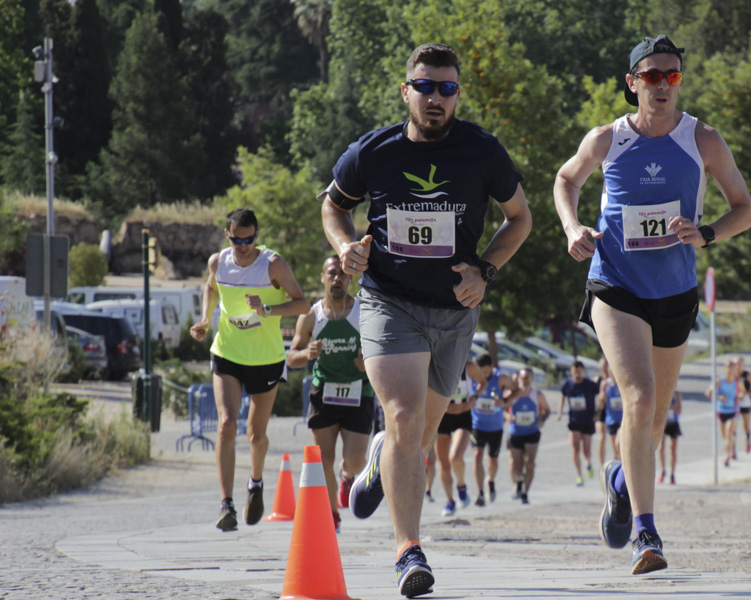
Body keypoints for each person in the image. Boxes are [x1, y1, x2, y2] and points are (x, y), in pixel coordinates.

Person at [321, 42, 532, 598]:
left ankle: (376, 462)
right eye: (425, 87)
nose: (436, 98)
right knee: (406, 416)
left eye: (447, 88)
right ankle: (408, 551)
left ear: (458, 94)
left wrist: (485, 269)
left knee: (413, 439)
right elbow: (332, 204)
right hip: (389, 301)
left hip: (455, 312)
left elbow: (519, 219)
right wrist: (346, 246)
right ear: (406, 91)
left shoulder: (482, 151)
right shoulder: (374, 151)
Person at [553, 34, 751, 574]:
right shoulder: (607, 139)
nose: (663, 85)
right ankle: (648, 534)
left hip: (675, 292)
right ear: (632, 83)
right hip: (615, 283)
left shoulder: (703, 139)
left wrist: (706, 234)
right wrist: (573, 227)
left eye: (673, 75)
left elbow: (745, 209)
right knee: (638, 399)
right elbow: (565, 179)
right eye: (652, 75)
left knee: (655, 414)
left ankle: (621, 478)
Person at [191, 208, 309, 532]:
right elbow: (211, 288)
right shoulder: (218, 262)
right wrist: (205, 318)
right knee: (226, 425)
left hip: (266, 358)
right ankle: (226, 504)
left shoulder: (273, 265)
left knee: (255, 434)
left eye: (249, 239)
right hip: (227, 353)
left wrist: (268, 308)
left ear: (257, 235)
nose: (243, 245)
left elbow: (303, 304)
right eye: (236, 239)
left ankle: (255, 483)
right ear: (227, 235)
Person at [287, 255, 375, 532]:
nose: (337, 278)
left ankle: (348, 476)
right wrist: (306, 353)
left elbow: (382, 349)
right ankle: (332, 514)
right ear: (323, 278)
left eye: (342, 274)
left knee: (355, 460)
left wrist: (368, 360)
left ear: (350, 279)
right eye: (332, 273)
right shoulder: (312, 316)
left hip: (359, 392)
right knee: (324, 458)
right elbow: (291, 357)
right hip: (324, 392)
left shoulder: (363, 312)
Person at [470, 353, 517, 506]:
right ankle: (480, 493)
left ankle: (490, 481)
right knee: (477, 456)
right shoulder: (472, 377)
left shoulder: (501, 378)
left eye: (485, 372)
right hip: (477, 424)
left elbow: (517, 390)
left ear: (491, 367)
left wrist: (504, 400)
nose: (482, 376)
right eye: (479, 372)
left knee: (493, 459)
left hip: (495, 427)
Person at [436, 367, 479, 517]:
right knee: (444, 465)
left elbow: (483, 382)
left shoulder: (469, 366)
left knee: (455, 457)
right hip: (442, 417)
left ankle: (461, 487)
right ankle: (450, 501)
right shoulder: (438, 364)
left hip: (462, 416)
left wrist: (474, 397)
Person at [506, 368, 550, 504]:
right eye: (523, 378)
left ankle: (525, 492)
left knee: (530, 463)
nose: (526, 381)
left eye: (528, 378)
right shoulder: (511, 394)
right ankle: (517, 483)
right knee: (515, 463)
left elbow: (547, 410)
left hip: (532, 432)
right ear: (517, 378)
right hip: (515, 432)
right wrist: (508, 416)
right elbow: (500, 408)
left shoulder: (537, 394)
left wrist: (542, 419)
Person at [558, 360, 600, 486]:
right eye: (575, 371)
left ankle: (588, 463)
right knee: (575, 448)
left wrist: (598, 412)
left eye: (580, 371)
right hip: (574, 420)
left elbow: (600, 396)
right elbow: (562, 397)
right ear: (572, 371)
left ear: (583, 371)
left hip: (588, 420)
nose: (577, 374)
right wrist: (560, 412)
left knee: (586, 450)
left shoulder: (590, 385)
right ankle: (579, 476)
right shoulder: (567, 384)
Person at [707, 360, 740, 466]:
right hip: (722, 411)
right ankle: (732, 448)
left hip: (733, 411)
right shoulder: (720, 381)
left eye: (732, 366)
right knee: (725, 436)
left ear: (736, 368)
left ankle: (727, 457)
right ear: (725, 368)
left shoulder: (737, 381)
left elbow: (743, 392)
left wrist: (739, 397)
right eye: (728, 366)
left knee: (729, 433)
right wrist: (719, 397)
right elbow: (708, 393)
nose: (730, 369)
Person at [597, 369, 624, 462]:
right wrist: (602, 394)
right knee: (616, 450)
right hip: (611, 420)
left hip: (622, 421)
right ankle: (618, 471)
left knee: (618, 444)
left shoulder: (623, 383)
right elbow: (600, 406)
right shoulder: (606, 385)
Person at [658, 391, 681, 484]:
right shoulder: (662, 392)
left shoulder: (676, 394)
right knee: (661, 447)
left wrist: (671, 404)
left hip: (673, 423)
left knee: (673, 449)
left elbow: (679, 410)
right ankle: (663, 471)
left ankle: (672, 474)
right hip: (664, 422)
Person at [736, 357, 751, 455]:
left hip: (746, 402)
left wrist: (746, 392)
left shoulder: (748, 376)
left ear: (743, 365)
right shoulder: (732, 375)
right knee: (732, 425)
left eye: (740, 364)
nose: (738, 366)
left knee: (746, 424)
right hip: (735, 403)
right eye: (736, 364)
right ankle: (732, 448)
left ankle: (747, 440)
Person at [595, 358, 614, 466]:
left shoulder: (616, 380)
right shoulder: (598, 380)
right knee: (602, 438)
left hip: (614, 412)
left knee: (615, 439)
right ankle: (602, 465)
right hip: (602, 412)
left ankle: (617, 460)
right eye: (603, 366)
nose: (605, 368)